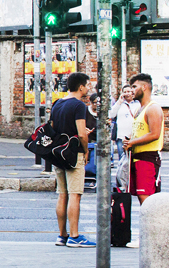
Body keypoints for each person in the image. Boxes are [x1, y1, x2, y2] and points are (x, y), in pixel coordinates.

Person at [50, 72, 96, 247]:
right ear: (81, 87)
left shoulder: (57, 103)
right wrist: (86, 150)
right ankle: (75, 236)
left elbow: (53, 128)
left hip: (58, 153)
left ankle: (62, 235)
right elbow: (82, 134)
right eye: (86, 85)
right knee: (75, 195)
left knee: (62, 194)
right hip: (73, 153)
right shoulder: (78, 106)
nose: (87, 89)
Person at [124, 73, 163, 206]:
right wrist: (129, 141)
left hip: (148, 158)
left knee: (146, 197)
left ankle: (151, 226)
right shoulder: (139, 110)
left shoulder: (153, 108)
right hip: (136, 157)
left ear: (145, 87)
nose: (131, 91)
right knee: (141, 196)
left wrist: (132, 142)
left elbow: (154, 134)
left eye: (134, 87)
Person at [109, 84, 141, 165]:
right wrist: (119, 102)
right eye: (125, 92)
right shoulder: (120, 104)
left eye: (129, 91)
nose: (127, 94)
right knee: (123, 160)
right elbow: (111, 114)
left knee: (135, 159)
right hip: (121, 136)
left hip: (135, 136)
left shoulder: (138, 104)